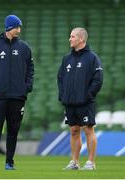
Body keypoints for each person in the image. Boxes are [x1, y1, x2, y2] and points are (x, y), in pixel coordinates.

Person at [0, 15, 34, 170]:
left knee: (13, 131)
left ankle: (9, 162)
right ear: (9, 27)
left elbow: (31, 69)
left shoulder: (24, 48)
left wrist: (27, 86)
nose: (19, 30)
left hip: (18, 97)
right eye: (17, 27)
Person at [57, 27, 103, 170]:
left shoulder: (92, 58)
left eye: (72, 36)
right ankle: (75, 162)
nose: (70, 39)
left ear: (81, 39)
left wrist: (88, 95)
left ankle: (90, 163)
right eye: (70, 36)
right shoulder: (66, 59)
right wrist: (63, 95)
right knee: (74, 131)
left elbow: (98, 79)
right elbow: (60, 78)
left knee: (88, 130)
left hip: (86, 102)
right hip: (70, 102)